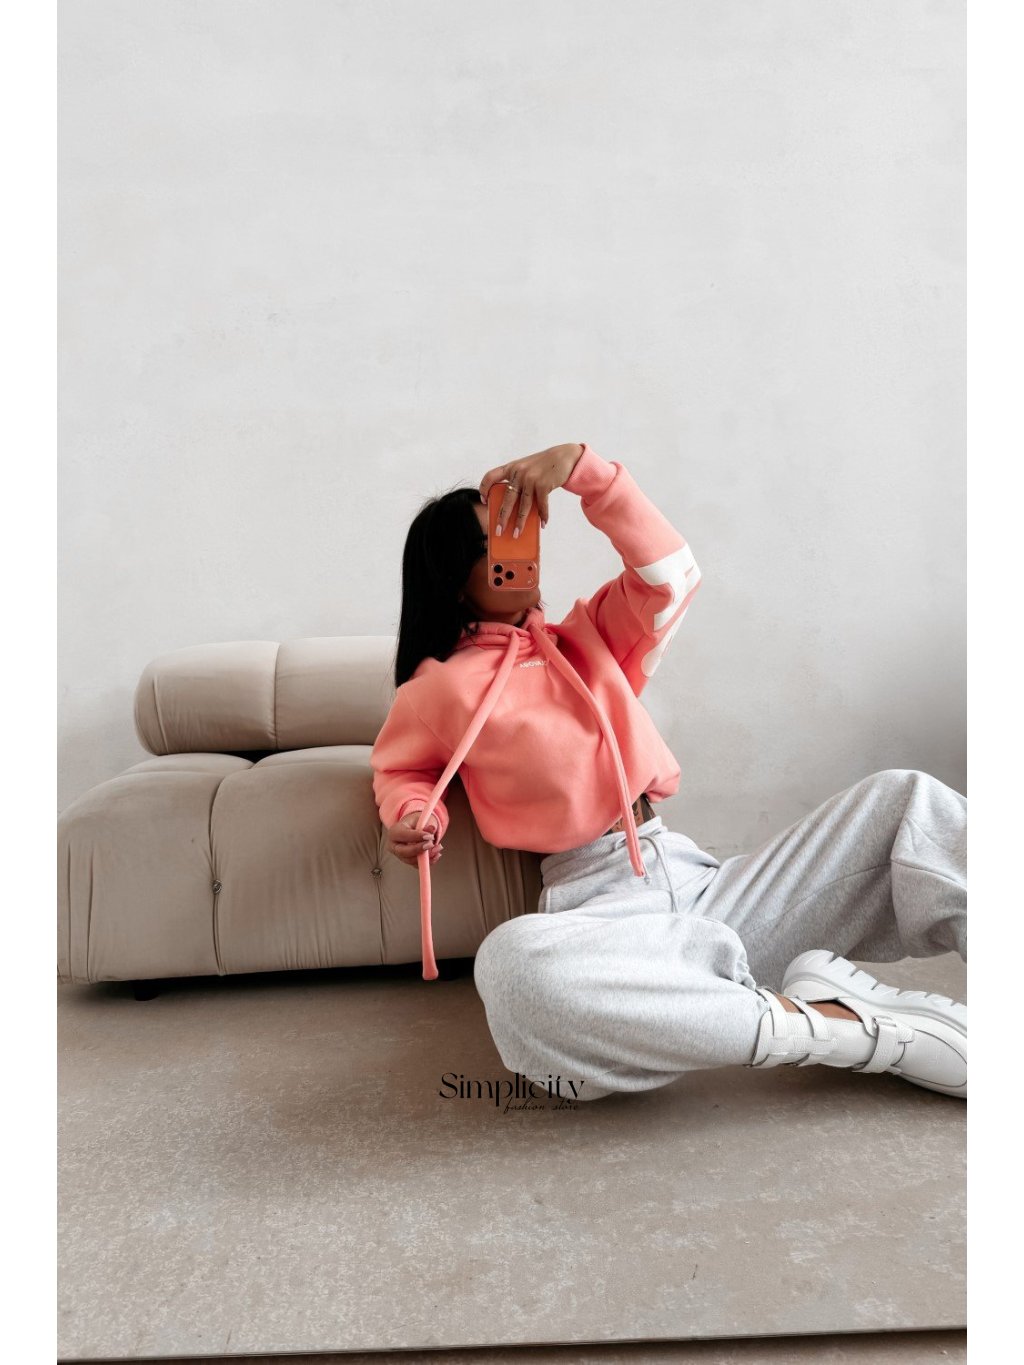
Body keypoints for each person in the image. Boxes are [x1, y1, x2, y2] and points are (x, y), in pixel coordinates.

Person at [370, 441, 967, 1102]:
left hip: (700, 886)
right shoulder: (436, 689)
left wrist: (585, 472)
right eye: (496, 544)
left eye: (523, 532)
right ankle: (840, 1030)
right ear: (456, 578)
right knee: (512, 970)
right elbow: (405, 772)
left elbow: (672, 575)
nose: (523, 551)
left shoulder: (588, 638)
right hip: (600, 913)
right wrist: (414, 817)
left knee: (906, 802)